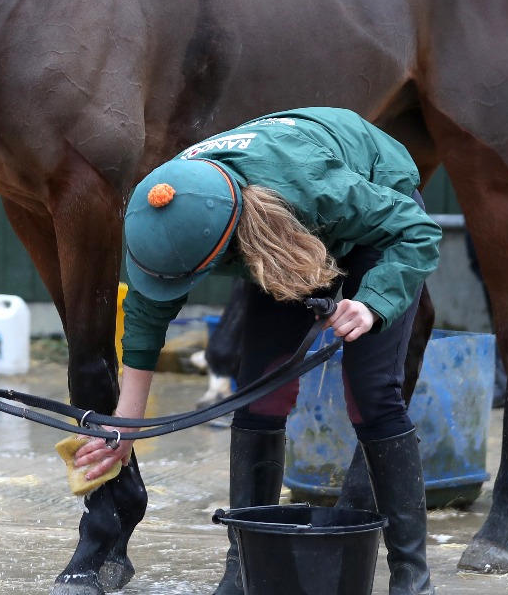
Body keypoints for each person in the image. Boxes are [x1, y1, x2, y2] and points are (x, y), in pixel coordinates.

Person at [73, 108, 441, 595]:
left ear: (225, 248)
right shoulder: (162, 209)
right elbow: (144, 316)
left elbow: (416, 230)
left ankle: (411, 574)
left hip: (374, 214)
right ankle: (242, 567)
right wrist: (126, 426)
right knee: (259, 396)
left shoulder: (318, 189)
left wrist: (373, 303)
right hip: (275, 223)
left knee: (371, 395)